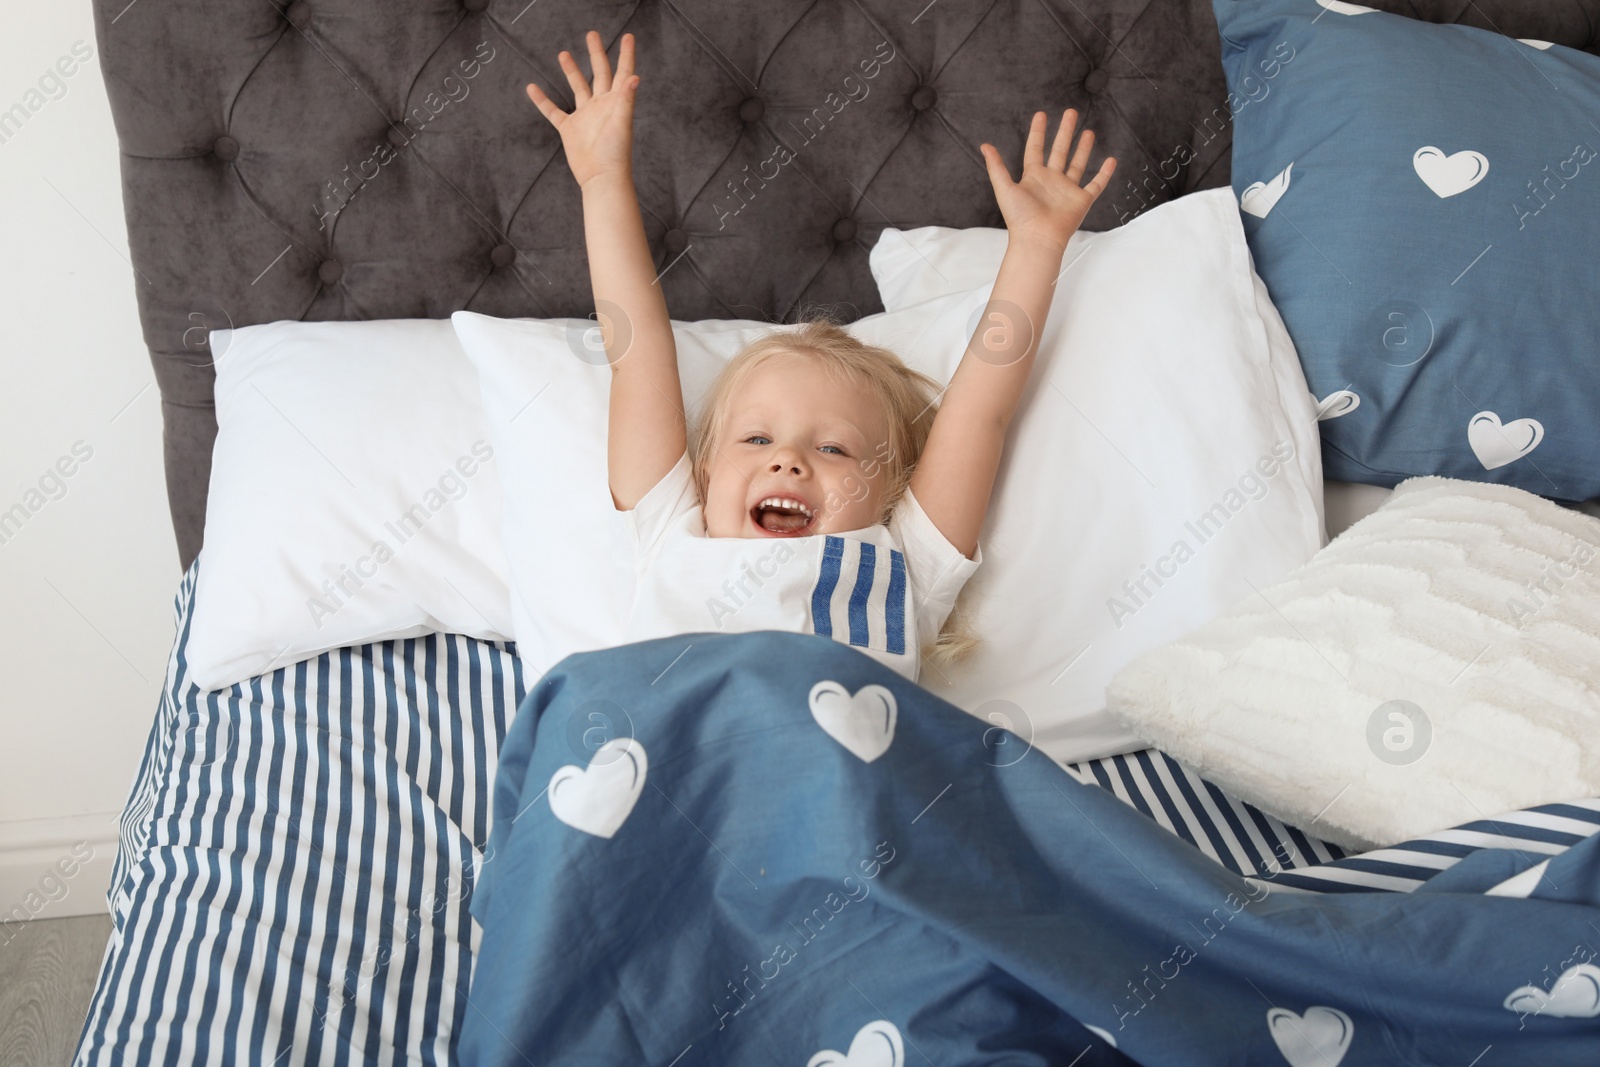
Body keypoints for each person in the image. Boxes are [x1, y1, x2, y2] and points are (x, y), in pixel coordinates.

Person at [524, 31, 1115, 684]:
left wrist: (1035, 248)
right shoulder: (669, 535)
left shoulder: (903, 565)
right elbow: (637, 356)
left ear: (888, 492)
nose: (788, 459)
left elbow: (978, 415)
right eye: (755, 437)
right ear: (706, 473)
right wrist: (602, 179)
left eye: (835, 450)